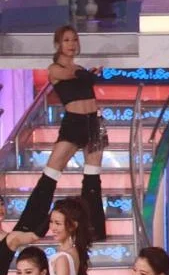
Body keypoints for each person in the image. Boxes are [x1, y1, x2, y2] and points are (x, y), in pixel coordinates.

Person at [17, 27, 108, 241]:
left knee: (93, 177)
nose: (72, 44)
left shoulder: (80, 68)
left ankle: (92, 228)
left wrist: (89, 73)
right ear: (58, 44)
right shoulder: (55, 69)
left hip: (93, 122)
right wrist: (88, 74)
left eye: (74, 40)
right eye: (66, 40)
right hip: (73, 123)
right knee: (51, 173)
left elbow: (84, 77)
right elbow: (73, 75)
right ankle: (31, 224)